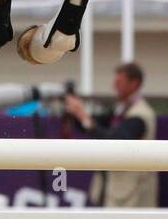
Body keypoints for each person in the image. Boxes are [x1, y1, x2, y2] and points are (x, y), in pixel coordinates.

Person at [62, 62, 158, 208]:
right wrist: (76, 112)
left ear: (134, 83)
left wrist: (82, 114)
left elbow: (115, 141)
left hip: (132, 198)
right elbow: (93, 126)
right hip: (116, 192)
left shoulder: (141, 114)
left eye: (119, 82)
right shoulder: (122, 109)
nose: (114, 86)